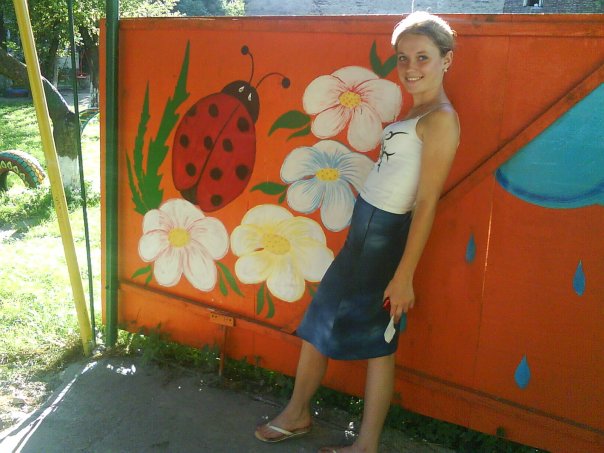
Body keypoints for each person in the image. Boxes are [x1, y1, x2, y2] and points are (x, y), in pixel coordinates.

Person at [255, 11, 460, 453]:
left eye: (422, 57)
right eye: (402, 57)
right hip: (365, 235)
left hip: (382, 239)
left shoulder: (441, 118)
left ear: (446, 59)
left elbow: (426, 202)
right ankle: (306, 416)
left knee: (374, 339)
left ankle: (344, 435)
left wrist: (404, 275)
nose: (410, 67)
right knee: (339, 326)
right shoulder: (419, 110)